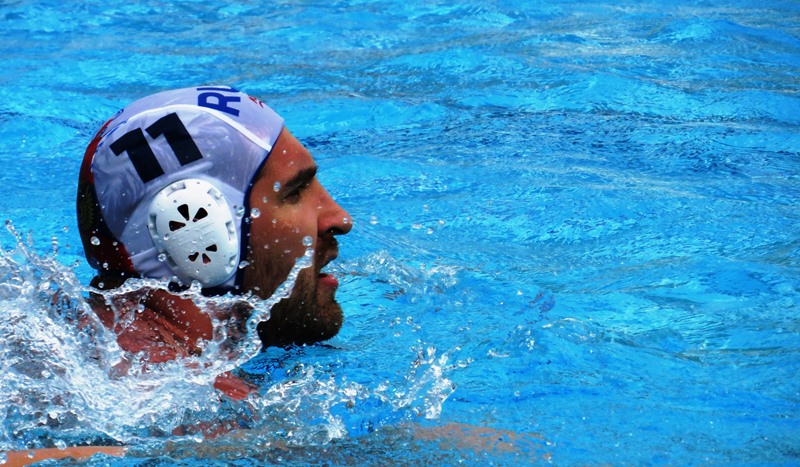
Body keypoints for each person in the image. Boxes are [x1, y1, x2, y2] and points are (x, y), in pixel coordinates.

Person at [75, 86, 352, 396]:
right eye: (295, 192)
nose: (340, 219)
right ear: (192, 225)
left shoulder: (79, 338)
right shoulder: (197, 401)